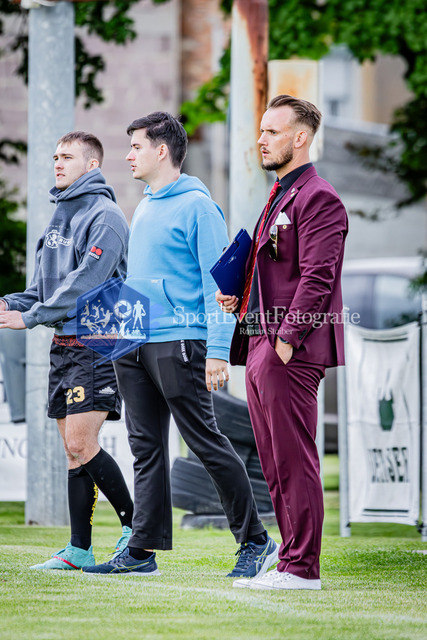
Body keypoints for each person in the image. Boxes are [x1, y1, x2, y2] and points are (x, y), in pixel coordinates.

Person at [82, 111, 278, 577]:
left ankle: (256, 541)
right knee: (145, 447)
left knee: (204, 441)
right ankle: (141, 550)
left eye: (136, 147)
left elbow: (222, 288)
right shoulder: (146, 205)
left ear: (162, 150)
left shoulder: (199, 208)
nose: (129, 155)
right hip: (135, 341)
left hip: (182, 342)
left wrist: (217, 350)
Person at [217, 95, 348, 590]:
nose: (261, 139)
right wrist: (241, 297)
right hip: (259, 342)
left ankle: (302, 569)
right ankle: (290, 558)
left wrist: (286, 341)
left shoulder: (319, 198)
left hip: (288, 349)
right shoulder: (279, 193)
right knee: (274, 462)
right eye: (262, 130)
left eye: (272, 131)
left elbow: (318, 278)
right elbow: (276, 268)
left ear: (300, 137)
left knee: (294, 459)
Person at [0, 131, 133, 570]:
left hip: (97, 343)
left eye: (67, 157)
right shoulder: (58, 216)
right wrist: (10, 304)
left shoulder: (106, 216)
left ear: (92, 165)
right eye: (55, 156)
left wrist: (31, 317)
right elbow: (42, 290)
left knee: (81, 441)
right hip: (63, 346)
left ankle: (137, 530)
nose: (57, 163)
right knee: (72, 450)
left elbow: (85, 284)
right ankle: (79, 550)